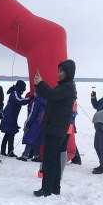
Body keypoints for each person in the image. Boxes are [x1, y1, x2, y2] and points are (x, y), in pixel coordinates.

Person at [33, 60, 77, 197]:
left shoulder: (68, 87)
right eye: (58, 71)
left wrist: (40, 83)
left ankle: (46, 189)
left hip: (56, 129)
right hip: (56, 128)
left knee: (50, 160)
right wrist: (39, 85)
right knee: (55, 159)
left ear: (68, 72)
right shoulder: (64, 86)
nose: (59, 74)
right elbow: (50, 94)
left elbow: (51, 94)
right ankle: (54, 188)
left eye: (62, 71)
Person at [0, 80, 30, 157]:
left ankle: (4, 151)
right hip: (9, 116)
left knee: (8, 134)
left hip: (11, 116)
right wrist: (29, 99)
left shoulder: (16, 92)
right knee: (11, 133)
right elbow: (19, 100)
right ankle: (10, 151)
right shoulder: (15, 93)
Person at [18, 92, 45, 161]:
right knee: (36, 139)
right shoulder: (46, 102)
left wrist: (27, 124)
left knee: (29, 138)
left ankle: (25, 155)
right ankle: (36, 156)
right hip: (41, 124)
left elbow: (32, 114)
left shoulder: (35, 103)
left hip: (34, 124)